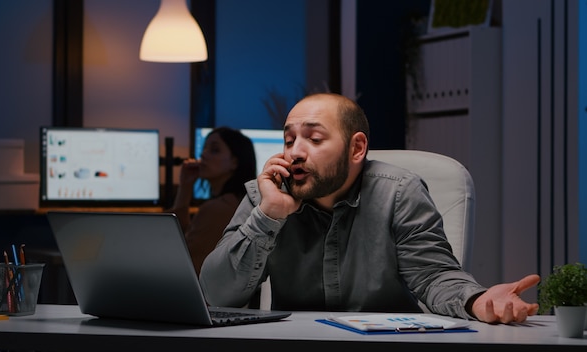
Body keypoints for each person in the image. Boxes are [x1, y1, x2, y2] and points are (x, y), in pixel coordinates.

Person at [199, 93, 540, 324]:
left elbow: (433, 276)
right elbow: (216, 293)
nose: (294, 153)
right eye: (289, 140)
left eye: (314, 139)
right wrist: (268, 217)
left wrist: (477, 300)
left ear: (357, 147)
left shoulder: (399, 192)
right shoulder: (266, 196)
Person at [170, 126, 256, 275]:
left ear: (235, 162)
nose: (203, 154)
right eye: (204, 149)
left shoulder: (217, 209)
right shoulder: (239, 201)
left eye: (214, 150)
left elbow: (181, 256)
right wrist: (185, 186)